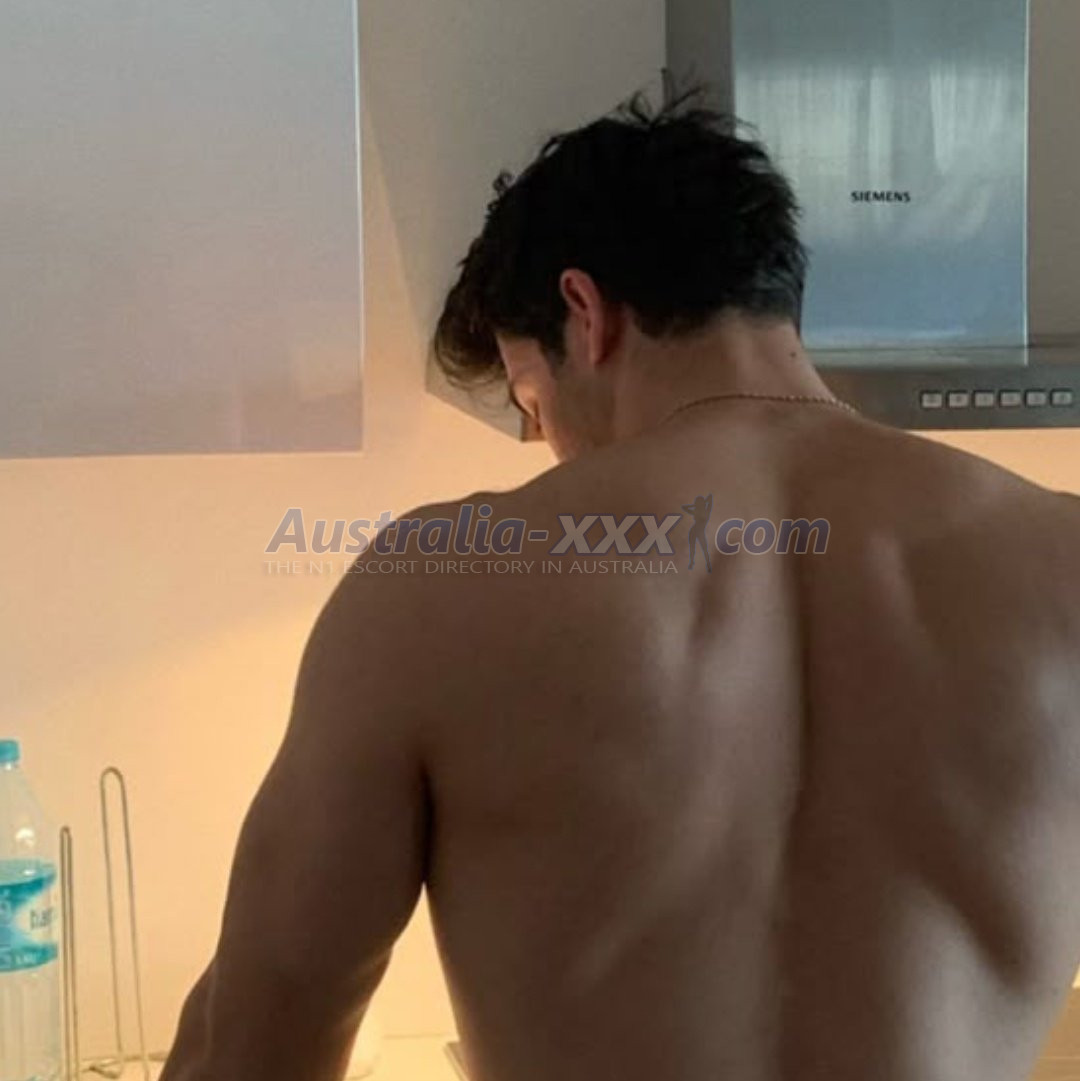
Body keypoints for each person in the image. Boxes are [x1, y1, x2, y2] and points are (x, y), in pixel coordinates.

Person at [160, 78, 1080, 1081]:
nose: (547, 442)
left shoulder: (434, 588)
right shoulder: (1059, 559)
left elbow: (249, 1052)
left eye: (529, 399)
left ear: (584, 312)